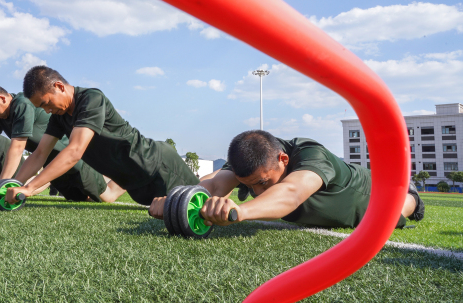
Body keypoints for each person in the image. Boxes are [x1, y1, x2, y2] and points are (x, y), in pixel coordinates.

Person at [0, 66, 199, 206]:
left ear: (59, 86)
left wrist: (30, 187)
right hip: (135, 184)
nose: (46, 110)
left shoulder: (91, 99)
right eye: (40, 107)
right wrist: (13, 184)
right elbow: (39, 154)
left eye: (46, 103)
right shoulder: (59, 117)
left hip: (158, 167)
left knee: (208, 204)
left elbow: (75, 151)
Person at [150, 130, 425, 229]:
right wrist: (179, 201)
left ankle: (411, 193)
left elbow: (291, 193)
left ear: (283, 160)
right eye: (248, 185)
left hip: (371, 192)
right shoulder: (255, 160)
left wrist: (240, 210)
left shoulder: (311, 156)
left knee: (395, 211)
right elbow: (214, 184)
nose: (256, 192)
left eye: (262, 183)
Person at [0, 84, 124, 202]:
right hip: (50, 164)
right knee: (82, 199)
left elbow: (18, 146)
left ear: (2, 98)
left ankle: (128, 175)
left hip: (70, 158)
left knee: (106, 197)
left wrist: (2, 184)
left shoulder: (21, 104)